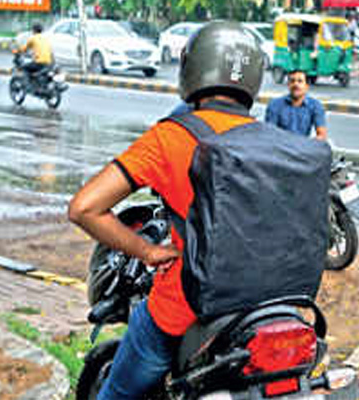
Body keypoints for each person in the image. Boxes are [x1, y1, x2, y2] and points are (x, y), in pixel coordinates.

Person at [69, 22, 325, 400]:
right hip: (280, 307)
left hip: (187, 307)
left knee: (118, 392)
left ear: (192, 69)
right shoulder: (276, 144)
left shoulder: (170, 136)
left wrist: (148, 251)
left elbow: (84, 208)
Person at [265, 69, 328, 140]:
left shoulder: (315, 106)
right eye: (292, 81)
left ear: (306, 86)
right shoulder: (275, 104)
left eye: (300, 81)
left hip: (303, 145)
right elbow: (270, 133)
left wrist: (310, 143)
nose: (295, 84)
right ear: (288, 85)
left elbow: (321, 135)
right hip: (280, 144)